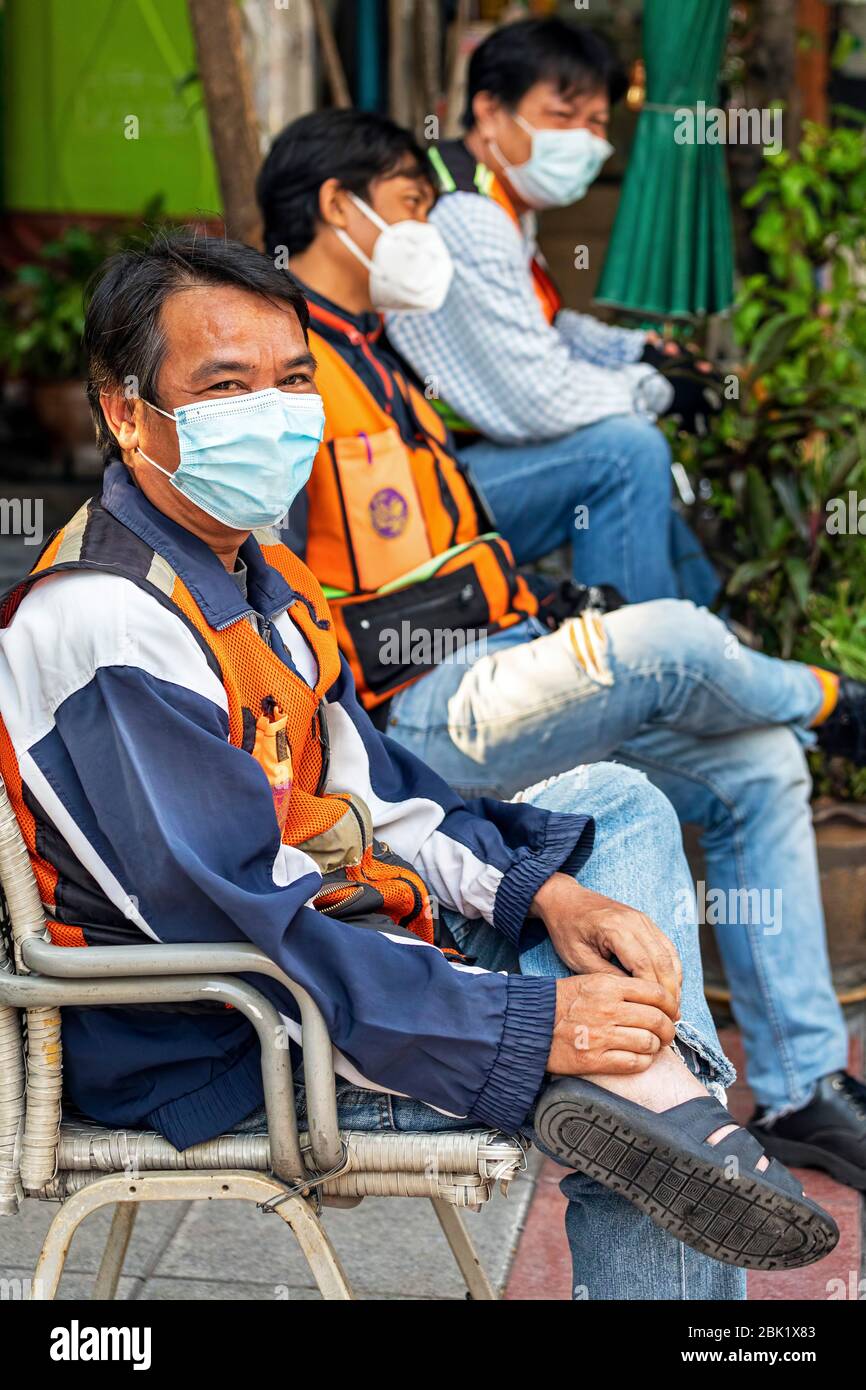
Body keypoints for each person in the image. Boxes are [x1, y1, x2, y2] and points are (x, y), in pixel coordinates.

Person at [0, 232, 837, 1299]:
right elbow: (237, 929)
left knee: (615, 805)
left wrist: (552, 894)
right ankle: (664, 1097)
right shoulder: (108, 625)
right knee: (615, 1098)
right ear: (126, 413)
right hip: (232, 1034)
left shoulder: (256, 573)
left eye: (293, 379)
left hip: (344, 949)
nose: (276, 410)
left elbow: (375, 794)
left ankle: (654, 1089)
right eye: (226, 386)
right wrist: (531, 1024)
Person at [257, 107, 866, 1192]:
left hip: (485, 677)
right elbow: (315, 622)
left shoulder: (380, 361)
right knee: (673, 637)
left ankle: (797, 1087)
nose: (427, 232)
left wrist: (525, 608)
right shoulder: (279, 379)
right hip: (411, 722)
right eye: (408, 204)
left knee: (752, 765)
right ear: (337, 208)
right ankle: (833, 699)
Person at [387, 15, 724, 607]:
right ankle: (648, 659)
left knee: (628, 452)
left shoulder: (494, 195)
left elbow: (542, 325)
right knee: (626, 452)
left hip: (456, 461)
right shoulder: (468, 217)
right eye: (562, 117)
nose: (586, 140)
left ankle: (705, 624)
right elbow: (538, 397)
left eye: (596, 122)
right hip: (410, 493)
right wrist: (655, 389)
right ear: (490, 110)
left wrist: (636, 351)